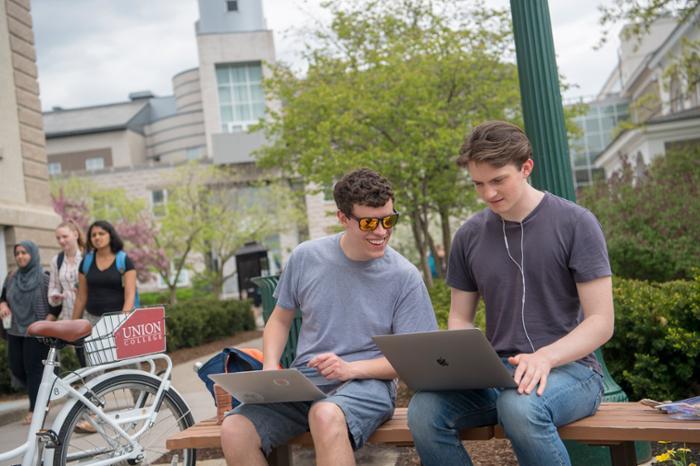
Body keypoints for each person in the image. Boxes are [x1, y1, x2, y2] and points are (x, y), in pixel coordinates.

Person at [408, 121, 614, 466]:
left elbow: (601, 321)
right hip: (498, 373)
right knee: (423, 410)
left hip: (572, 371)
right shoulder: (468, 235)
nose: (488, 193)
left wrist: (545, 357)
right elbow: (460, 316)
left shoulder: (577, 223)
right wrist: (460, 363)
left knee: (519, 406)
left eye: (498, 180)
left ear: (526, 167)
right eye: (478, 184)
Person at [221, 168, 438, 466]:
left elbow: (415, 359)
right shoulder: (306, 257)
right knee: (235, 429)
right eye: (369, 222)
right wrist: (271, 367)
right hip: (304, 384)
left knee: (324, 415)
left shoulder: (404, 276)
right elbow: (280, 319)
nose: (381, 232)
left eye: (388, 220)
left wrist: (350, 369)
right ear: (342, 218)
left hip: (369, 385)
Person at [0, 241, 52, 425]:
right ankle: (43, 396)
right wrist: (3, 305)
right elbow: (3, 297)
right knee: (16, 368)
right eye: (17, 253)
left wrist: (48, 323)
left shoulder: (44, 278)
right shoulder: (12, 277)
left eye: (24, 253)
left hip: (36, 331)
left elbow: (54, 304)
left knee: (34, 371)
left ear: (33, 254)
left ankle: (35, 409)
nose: (20, 256)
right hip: (15, 329)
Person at [71, 220, 136, 366]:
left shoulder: (124, 260)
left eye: (101, 233)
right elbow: (81, 297)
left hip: (119, 319)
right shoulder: (86, 262)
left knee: (130, 366)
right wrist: (72, 326)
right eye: (93, 235)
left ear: (110, 235)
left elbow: (130, 294)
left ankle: (142, 389)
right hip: (93, 320)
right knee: (94, 368)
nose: (97, 237)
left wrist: (122, 321)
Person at [48, 220, 85, 321]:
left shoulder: (87, 257)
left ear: (75, 235)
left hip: (88, 316)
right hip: (67, 317)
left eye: (65, 236)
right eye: (58, 238)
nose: (61, 241)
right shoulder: (57, 260)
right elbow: (53, 288)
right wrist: (55, 297)